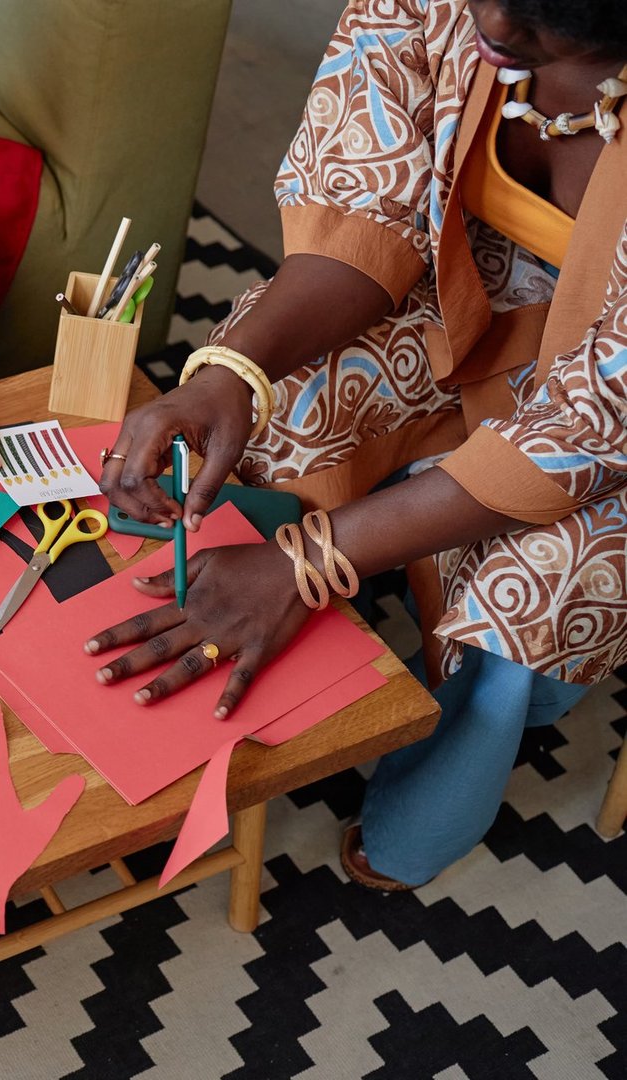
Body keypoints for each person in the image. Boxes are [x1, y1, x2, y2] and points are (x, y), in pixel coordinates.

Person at [89, 0, 627, 890]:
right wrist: (228, 372)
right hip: (471, 274)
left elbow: (589, 428)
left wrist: (310, 564)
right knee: (278, 409)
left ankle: (433, 793)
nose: (489, 19)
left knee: (526, 595)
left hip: (611, 411)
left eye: (542, 18)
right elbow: (363, 209)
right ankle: (284, 642)